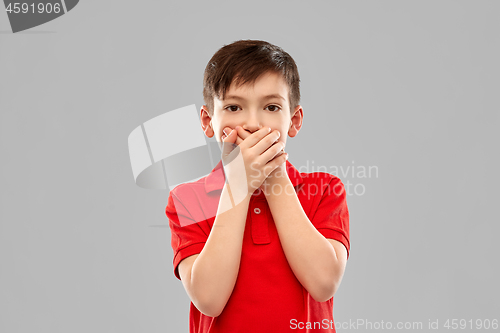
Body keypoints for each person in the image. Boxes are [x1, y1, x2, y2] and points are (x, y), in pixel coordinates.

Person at [165, 39, 350, 333]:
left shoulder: (325, 190)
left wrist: (274, 175)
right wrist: (237, 185)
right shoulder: (188, 200)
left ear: (294, 120)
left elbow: (324, 283)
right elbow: (209, 299)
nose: (253, 123)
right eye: (234, 107)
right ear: (208, 121)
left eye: (271, 107)